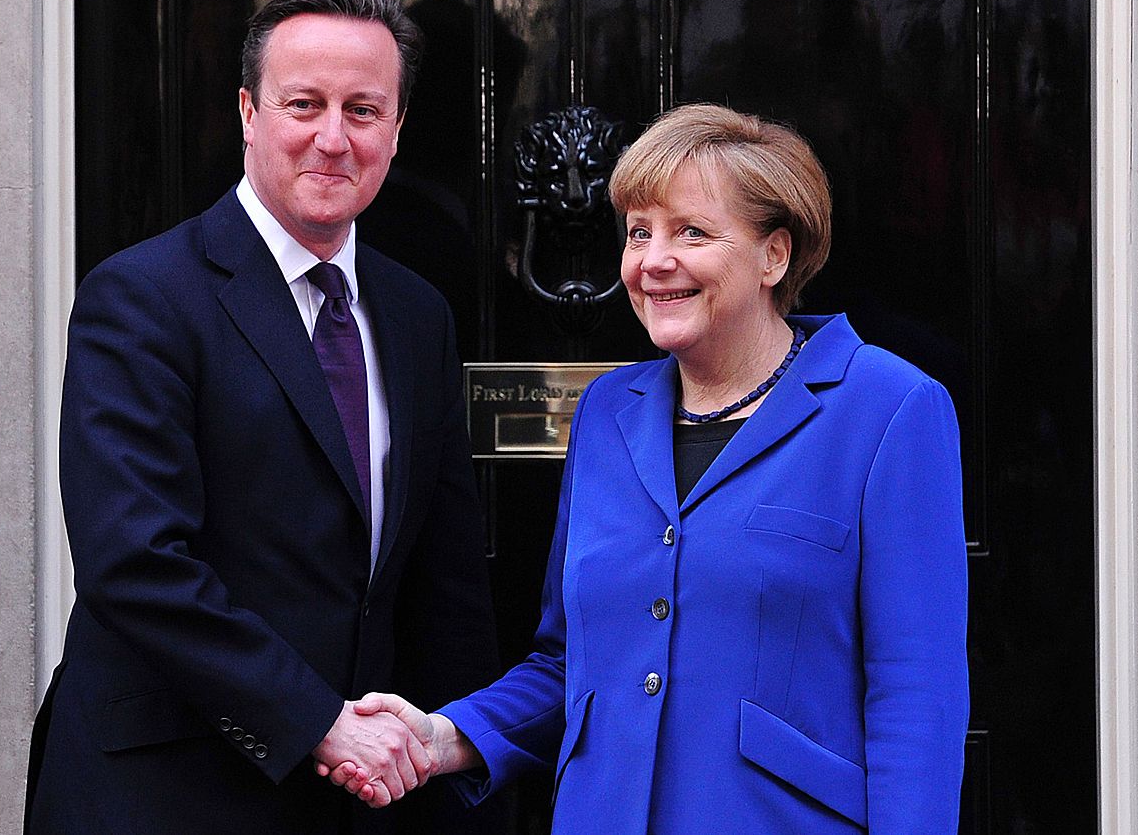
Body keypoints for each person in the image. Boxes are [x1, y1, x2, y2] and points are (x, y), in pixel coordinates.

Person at [349, 103, 970, 832]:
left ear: (775, 254)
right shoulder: (610, 411)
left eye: (691, 232)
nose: (653, 261)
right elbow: (570, 665)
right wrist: (443, 736)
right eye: (640, 232)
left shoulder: (889, 409)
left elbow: (915, 696)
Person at [25, 0, 500, 833]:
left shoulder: (416, 312)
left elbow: (444, 577)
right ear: (248, 111)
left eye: (363, 109)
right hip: (169, 794)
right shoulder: (140, 299)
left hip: (367, 802)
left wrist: (455, 772)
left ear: (396, 129)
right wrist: (319, 724)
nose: (332, 138)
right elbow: (134, 561)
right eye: (303, 103)